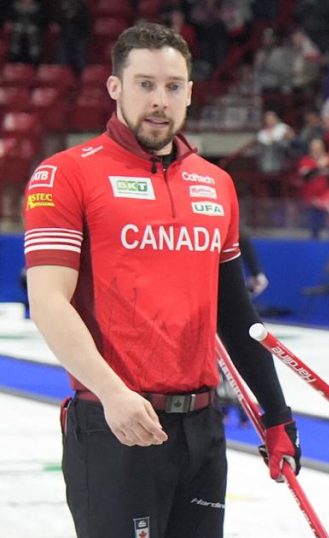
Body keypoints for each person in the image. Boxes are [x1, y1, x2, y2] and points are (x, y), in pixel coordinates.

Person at [23, 23, 300, 538]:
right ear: (115, 88)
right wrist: (112, 394)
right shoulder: (66, 174)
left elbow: (236, 313)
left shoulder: (215, 184)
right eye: (145, 84)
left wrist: (277, 413)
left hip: (201, 427)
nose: (159, 101)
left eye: (173, 86)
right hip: (114, 422)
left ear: (191, 92)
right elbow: (48, 303)